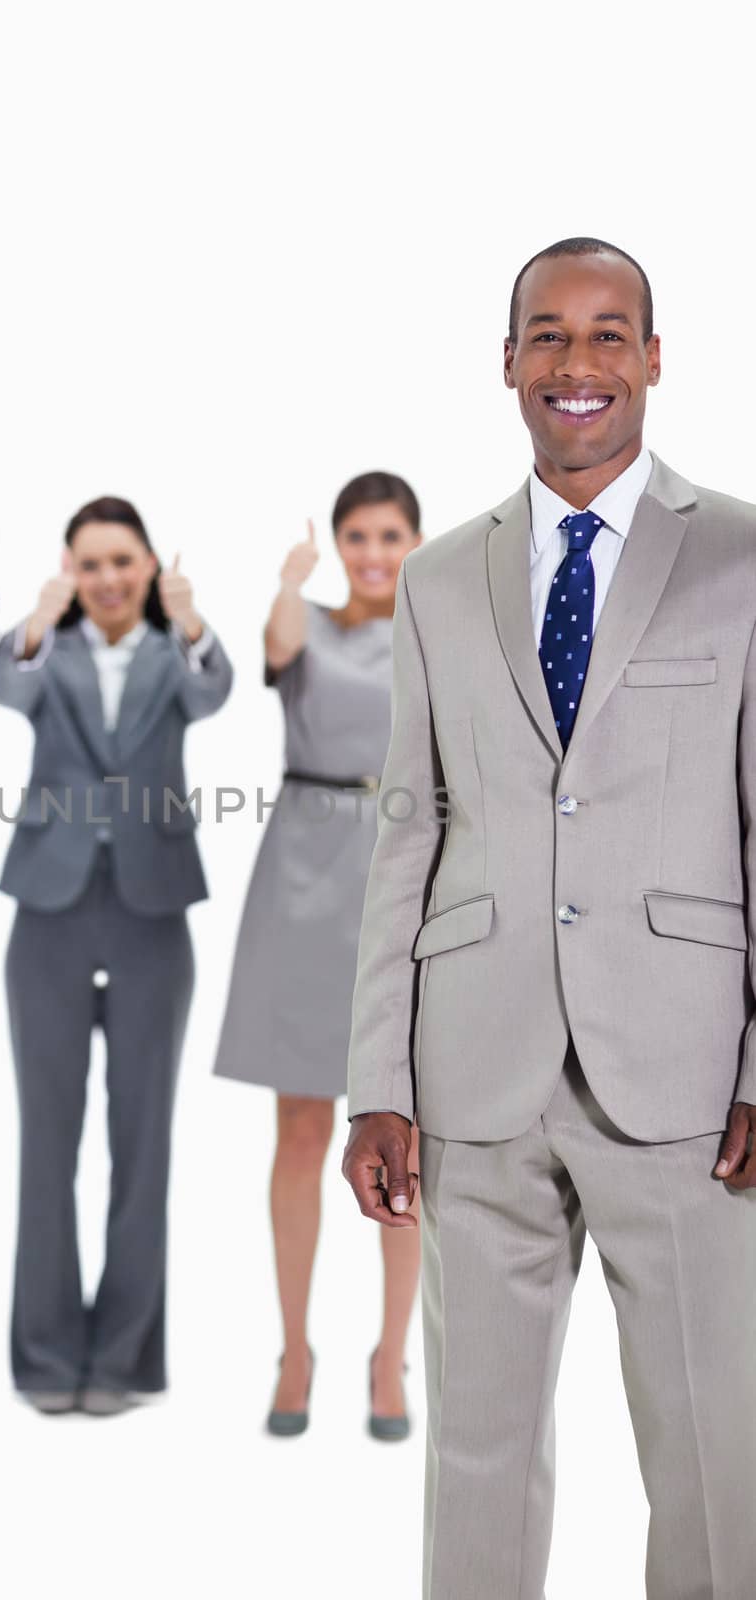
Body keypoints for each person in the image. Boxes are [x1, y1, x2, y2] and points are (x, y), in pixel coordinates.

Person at [343, 238, 756, 1598]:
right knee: (474, 1452)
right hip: (475, 1076)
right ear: (507, 362)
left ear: (649, 358)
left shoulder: (742, 556)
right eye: (543, 336)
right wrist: (375, 1084)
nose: (572, 365)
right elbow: (406, 828)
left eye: (603, 334)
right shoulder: (439, 573)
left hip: (690, 1086)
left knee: (710, 1456)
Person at [0, 495, 232, 1416]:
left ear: (147, 567)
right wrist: (38, 619)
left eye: (121, 561)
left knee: (144, 1146)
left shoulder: (178, 654)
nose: (107, 579)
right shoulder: (45, 651)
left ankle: (125, 1357)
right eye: (89, 565)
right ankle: (46, 1357)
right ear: (69, 572)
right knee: (46, 1145)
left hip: (152, 910)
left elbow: (216, 691)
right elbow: (3, 687)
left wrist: (193, 615)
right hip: (47, 910)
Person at [213, 474, 423, 1439]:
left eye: (389, 535)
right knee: (299, 1132)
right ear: (338, 543)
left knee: (411, 1139)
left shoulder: (442, 623)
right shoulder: (306, 623)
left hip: (409, 873)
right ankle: (294, 1347)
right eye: (357, 536)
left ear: (416, 538)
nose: (373, 552)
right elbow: (278, 649)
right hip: (302, 874)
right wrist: (290, 581)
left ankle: (392, 1353)